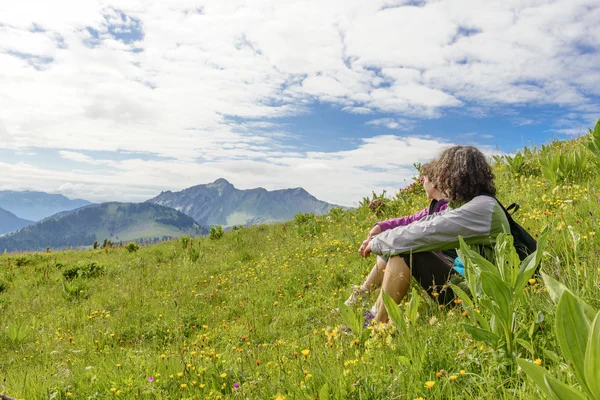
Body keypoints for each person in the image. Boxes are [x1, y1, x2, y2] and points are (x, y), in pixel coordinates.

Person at [360, 146, 509, 323]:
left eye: (444, 175)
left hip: (481, 297)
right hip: (469, 285)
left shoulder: (482, 208)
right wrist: (380, 238)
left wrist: (376, 243)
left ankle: (377, 325)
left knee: (404, 252)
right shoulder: (469, 204)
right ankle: (374, 315)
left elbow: (426, 232)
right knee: (403, 246)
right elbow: (424, 223)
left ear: (455, 176)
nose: (441, 182)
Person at [343, 162, 451, 312]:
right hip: (441, 268)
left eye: (423, 179)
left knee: (401, 248)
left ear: (433, 183)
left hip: (451, 274)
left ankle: (373, 309)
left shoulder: (449, 209)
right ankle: (364, 297)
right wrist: (380, 227)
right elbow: (408, 221)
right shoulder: (435, 207)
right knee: (396, 245)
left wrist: (382, 240)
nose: (422, 183)